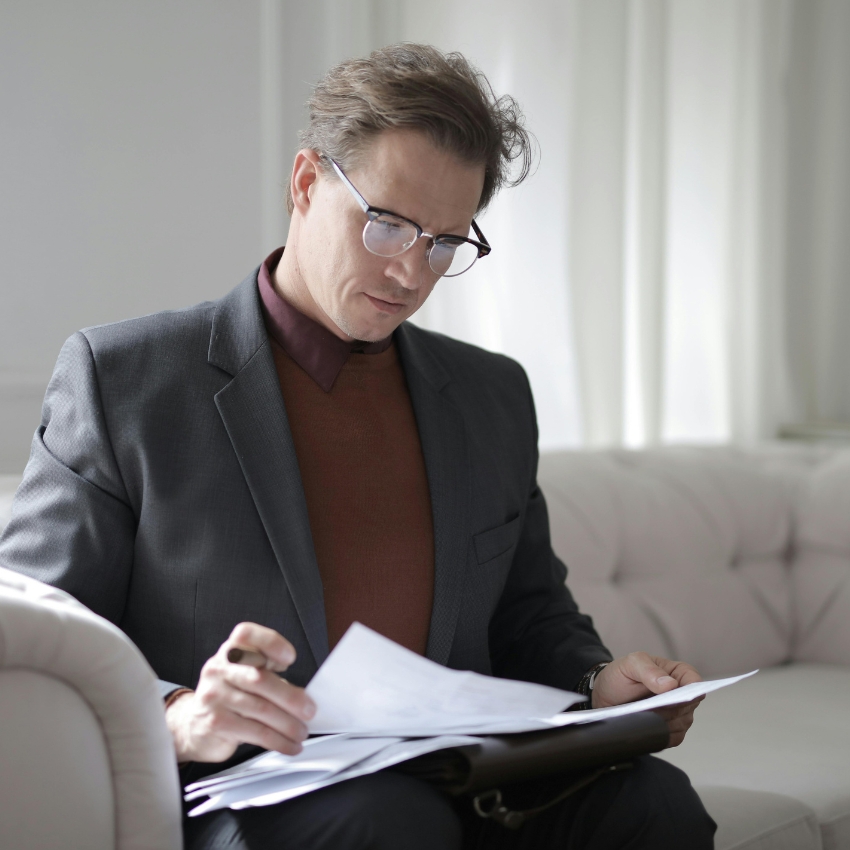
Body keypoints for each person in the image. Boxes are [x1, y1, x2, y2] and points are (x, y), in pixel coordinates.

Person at [0, 43, 715, 848]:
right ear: (306, 183)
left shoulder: (491, 395)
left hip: (462, 775)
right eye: (387, 225)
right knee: (387, 826)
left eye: (446, 243)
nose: (412, 272)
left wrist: (599, 682)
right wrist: (180, 714)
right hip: (248, 786)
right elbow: (32, 640)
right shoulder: (124, 380)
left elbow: (528, 614)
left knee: (656, 803)